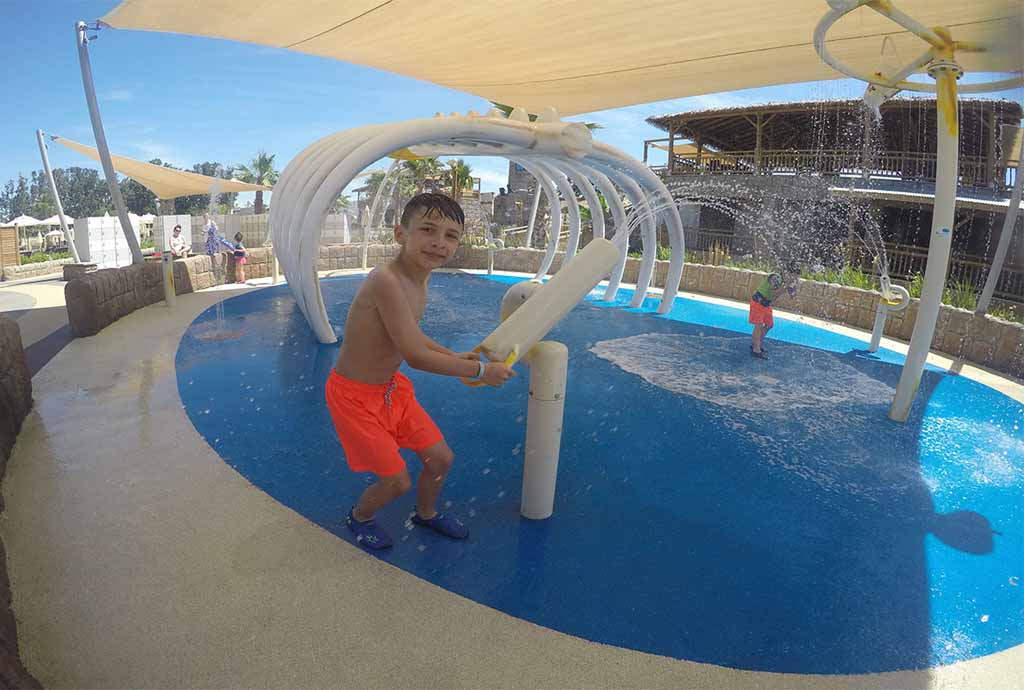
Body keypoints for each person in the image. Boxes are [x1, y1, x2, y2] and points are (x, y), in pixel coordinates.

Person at [325, 193, 515, 550]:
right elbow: (414, 356)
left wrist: (452, 354)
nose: (439, 242)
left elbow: (411, 336)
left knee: (440, 459)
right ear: (400, 234)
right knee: (396, 481)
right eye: (428, 230)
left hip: (390, 391)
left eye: (451, 235)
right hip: (354, 397)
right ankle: (360, 517)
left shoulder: (419, 281)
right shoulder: (386, 280)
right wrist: (479, 370)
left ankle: (426, 513)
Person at [749, 269, 798, 359]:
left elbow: (792, 296)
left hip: (766, 305)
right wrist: (786, 286)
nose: (793, 278)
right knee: (759, 325)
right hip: (758, 302)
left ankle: (756, 343)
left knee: (769, 325)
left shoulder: (785, 282)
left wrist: (793, 287)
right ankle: (756, 349)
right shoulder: (774, 277)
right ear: (788, 273)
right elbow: (775, 292)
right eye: (793, 275)